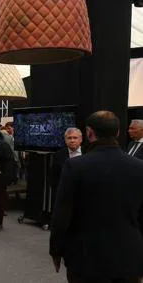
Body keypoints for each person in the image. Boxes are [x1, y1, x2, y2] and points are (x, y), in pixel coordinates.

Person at [49, 111, 143, 283]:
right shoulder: (139, 167)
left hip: (86, 256)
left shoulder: (75, 166)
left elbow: (62, 214)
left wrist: (56, 249)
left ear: (89, 133)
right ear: (118, 132)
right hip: (129, 255)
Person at [51, 127, 84, 211]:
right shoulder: (58, 155)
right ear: (65, 140)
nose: (72, 140)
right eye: (69, 138)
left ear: (81, 139)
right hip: (65, 196)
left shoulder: (89, 152)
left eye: (75, 138)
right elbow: (53, 177)